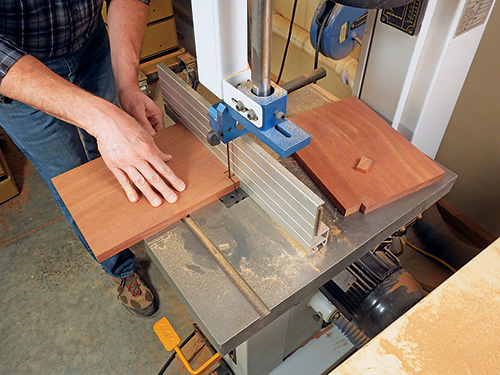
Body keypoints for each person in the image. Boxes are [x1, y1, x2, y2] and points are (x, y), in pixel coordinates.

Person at [0, 0, 186, 317]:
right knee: (74, 184)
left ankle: (148, 226)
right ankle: (122, 269)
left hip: (92, 45)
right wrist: (103, 120)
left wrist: (126, 84)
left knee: (122, 156)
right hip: (18, 77)